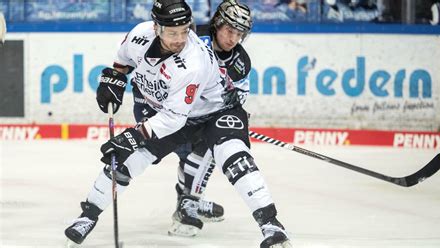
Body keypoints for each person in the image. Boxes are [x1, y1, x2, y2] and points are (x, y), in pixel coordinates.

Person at [64, 0, 292, 247]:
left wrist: (134, 135)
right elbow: (123, 61)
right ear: (156, 27)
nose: (180, 39)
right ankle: (87, 217)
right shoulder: (139, 35)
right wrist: (115, 78)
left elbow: (173, 119)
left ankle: (271, 225)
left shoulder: (192, 62)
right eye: (173, 33)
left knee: (234, 157)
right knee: (128, 159)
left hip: (215, 111)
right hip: (176, 111)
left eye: (185, 31)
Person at [165, 0, 254, 236]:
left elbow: (237, 98)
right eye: (229, 30)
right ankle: (187, 201)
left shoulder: (241, 62)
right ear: (217, 23)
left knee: (205, 152)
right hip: (175, 113)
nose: (233, 38)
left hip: (205, 118)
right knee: (186, 155)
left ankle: (188, 203)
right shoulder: (192, 38)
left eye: (239, 33)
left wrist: (231, 112)